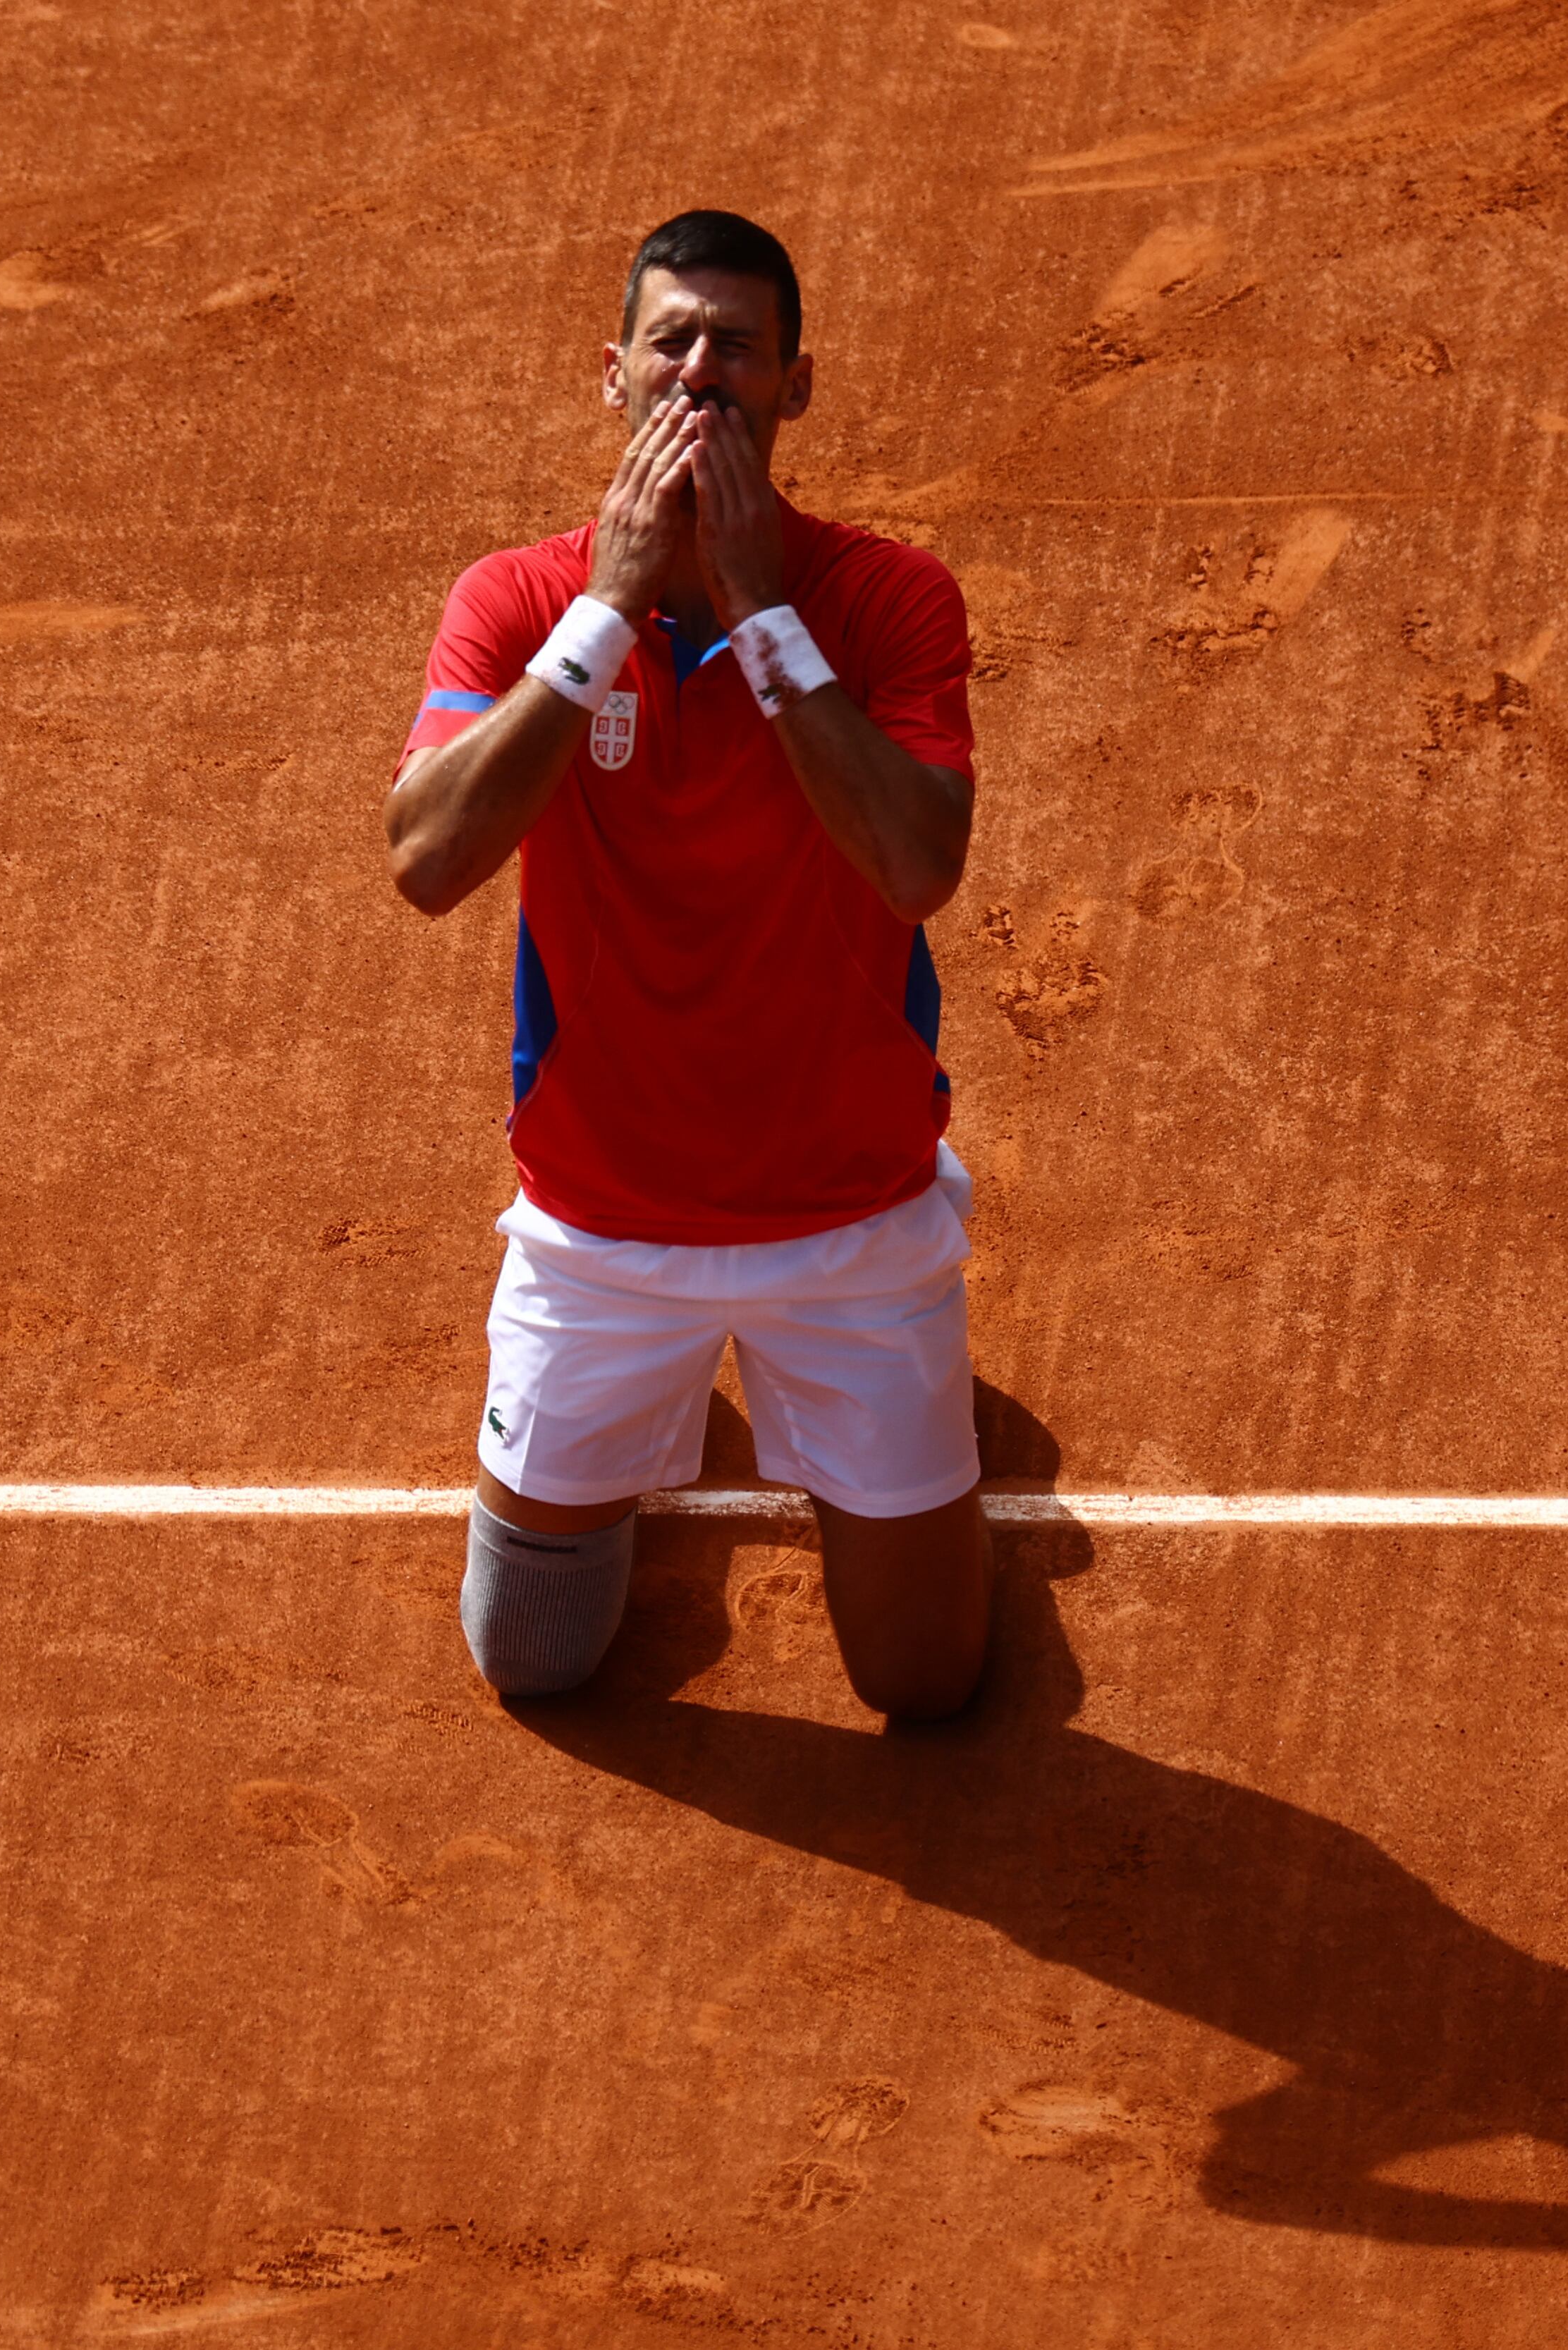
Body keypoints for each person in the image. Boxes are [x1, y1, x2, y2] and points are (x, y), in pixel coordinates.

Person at [383, 209, 990, 1718]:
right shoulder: (517, 600)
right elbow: (428, 862)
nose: (703, 375)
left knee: (925, 1687)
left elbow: (918, 866)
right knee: (530, 1658)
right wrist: (605, 612)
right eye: (674, 344)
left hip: (851, 1217)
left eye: (739, 350)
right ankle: (669, 1431)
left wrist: (764, 613)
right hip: (600, 1224)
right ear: (618, 376)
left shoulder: (890, 599)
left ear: (797, 387)